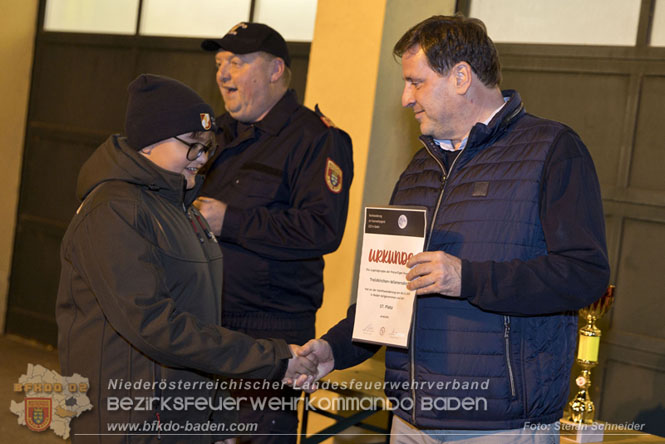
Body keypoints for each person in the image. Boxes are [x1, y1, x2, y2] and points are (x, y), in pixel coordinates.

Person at [300, 15, 610, 444]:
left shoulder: (553, 150)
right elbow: (389, 292)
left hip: (500, 426)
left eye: (416, 82)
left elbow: (584, 274)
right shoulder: (418, 170)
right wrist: (334, 349)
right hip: (410, 421)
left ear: (461, 77)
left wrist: (467, 277)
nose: (405, 98)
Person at [56, 74, 317, 443]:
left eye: (207, 148)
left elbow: (200, 324)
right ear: (149, 142)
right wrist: (272, 359)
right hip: (131, 424)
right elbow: (156, 327)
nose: (201, 159)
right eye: (192, 146)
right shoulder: (113, 210)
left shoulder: (183, 209)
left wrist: (219, 420)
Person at [195, 22, 353, 442]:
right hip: (206, 324)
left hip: (269, 333)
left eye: (238, 62)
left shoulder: (317, 139)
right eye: (220, 62)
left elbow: (322, 229)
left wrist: (231, 221)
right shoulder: (220, 136)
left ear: (275, 69)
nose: (223, 73)